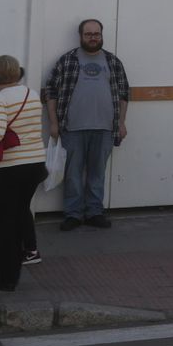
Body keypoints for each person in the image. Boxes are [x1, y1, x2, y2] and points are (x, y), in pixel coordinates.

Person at [43, 18, 130, 231]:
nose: (93, 38)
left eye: (96, 34)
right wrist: (53, 123)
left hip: (105, 129)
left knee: (97, 174)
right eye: (88, 34)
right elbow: (51, 92)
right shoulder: (67, 61)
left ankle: (94, 212)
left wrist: (121, 122)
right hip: (72, 128)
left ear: (101, 35)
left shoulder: (112, 62)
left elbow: (124, 94)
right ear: (81, 36)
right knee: (72, 174)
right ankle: (73, 214)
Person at [0, 55, 46, 292]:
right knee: (17, 218)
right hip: (34, 165)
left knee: (1, 224)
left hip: (8, 169)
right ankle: (14, 270)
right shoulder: (31, 94)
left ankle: (6, 277)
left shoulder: (0, 99)